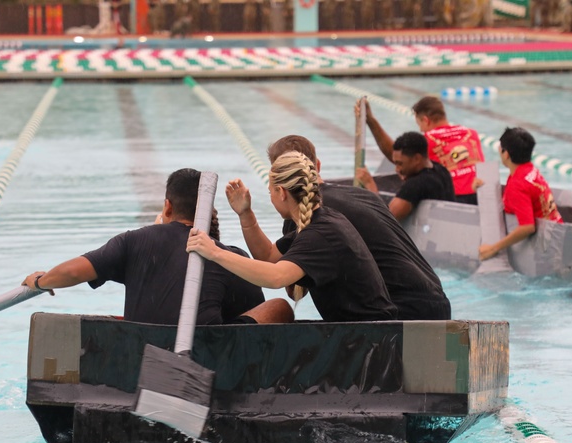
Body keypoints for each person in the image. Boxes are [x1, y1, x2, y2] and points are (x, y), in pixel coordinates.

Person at [23, 168, 291, 325]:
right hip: (210, 361)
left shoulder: (134, 241)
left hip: (142, 353)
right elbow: (254, 325)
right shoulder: (232, 258)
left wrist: (41, 281)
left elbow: (72, 272)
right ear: (211, 214)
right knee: (279, 306)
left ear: (167, 206)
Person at [188, 151, 397, 323]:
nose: (270, 197)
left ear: (281, 192)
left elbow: (275, 277)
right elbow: (268, 256)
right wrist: (245, 214)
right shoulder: (321, 221)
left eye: (270, 191)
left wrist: (215, 252)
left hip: (373, 339)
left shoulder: (321, 235)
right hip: (371, 330)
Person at [271, 136, 450, 320]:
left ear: (279, 186)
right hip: (437, 303)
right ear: (317, 165)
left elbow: (295, 292)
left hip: (395, 315)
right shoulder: (363, 195)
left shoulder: (308, 214)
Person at [361, 96, 485, 205]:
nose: (421, 130)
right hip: (481, 196)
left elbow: (396, 156)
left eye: (420, 125)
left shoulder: (427, 139)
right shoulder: (472, 134)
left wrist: (371, 122)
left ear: (426, 120)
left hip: (452, 201)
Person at [479, 128, 563, 261]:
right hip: (557, 237)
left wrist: (493, 248)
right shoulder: (530, 170)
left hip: (545, 249)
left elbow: (527, 227)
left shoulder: (518, 185)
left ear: (506, 154)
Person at [358, 131, 455, 221]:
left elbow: (386, 221)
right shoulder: (441, 170)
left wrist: (370, 185)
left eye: (400, 163)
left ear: (417, 158)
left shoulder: (416, 185)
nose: (397, 169)